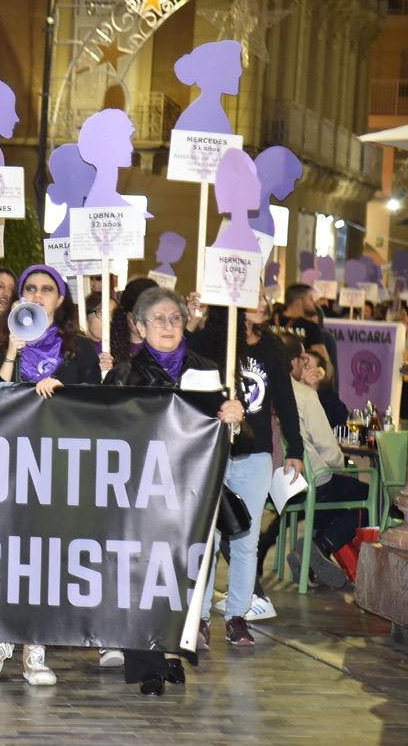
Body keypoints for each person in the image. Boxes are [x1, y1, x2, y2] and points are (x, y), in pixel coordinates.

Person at [103, 287, 245, 695]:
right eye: (159, 319)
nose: (168, 326)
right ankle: (146, 662)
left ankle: (170, 651)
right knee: (140, 574)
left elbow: (229, 435)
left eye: (175, 319)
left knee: (180, 574)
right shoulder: (124, 374)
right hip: (140, 493)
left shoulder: (208, 369)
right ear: (140, 326)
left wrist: (235, 416)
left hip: (190, 494)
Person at [0, 264, 98, 686]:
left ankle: (35, 645)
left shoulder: (78, 349)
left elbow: (96, 405)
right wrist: (12, 349)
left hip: (58, 466)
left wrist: (64, 391)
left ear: (60, 299)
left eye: (48, 290)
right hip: (9, 462)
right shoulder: (3, 337)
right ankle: (2, 636)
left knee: (45, 556)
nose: (39, 295)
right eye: (31, 288)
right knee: (7, 552)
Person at [190, 298, 303, 649]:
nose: (264, 303)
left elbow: (285, 400)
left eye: (264, 296)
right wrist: (194, 321)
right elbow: (187, 371)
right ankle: (201, 617)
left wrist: (295, 450)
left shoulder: (271, 348)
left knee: (246, 538)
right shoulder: (211, 342)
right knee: (206, 537)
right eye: (254, 295)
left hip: (255, 453)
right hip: (214, 450)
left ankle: (237, 615)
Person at [258, 333, 366, 591]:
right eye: (302, 358)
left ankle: (311, 552)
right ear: (293, 361)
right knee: (371, 497)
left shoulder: (260, 388)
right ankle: (320, 546)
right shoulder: (304, 395)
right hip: (309, 481)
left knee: (333, 496)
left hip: (271, 483)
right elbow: (328, 451)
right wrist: (343, 462)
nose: (306, 364)